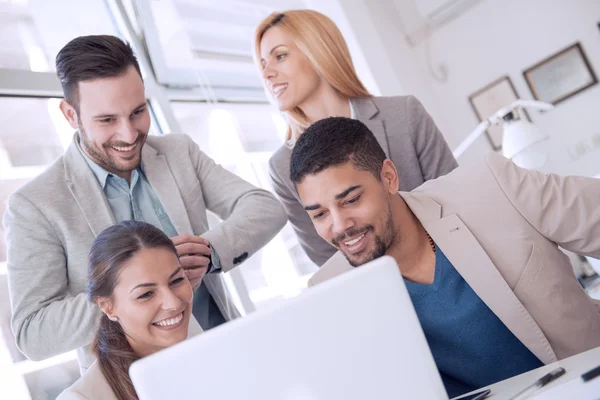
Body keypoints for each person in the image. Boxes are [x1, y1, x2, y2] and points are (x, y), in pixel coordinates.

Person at [3, 35, 286, 372]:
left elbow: (265, 207)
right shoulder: (36, 205)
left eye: (138, 112)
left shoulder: (178, 152)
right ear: (70, 115)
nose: (128, 134)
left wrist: (208, 252)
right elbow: (34, 332)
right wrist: (128, 296)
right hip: (136, 387)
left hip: (227, 356)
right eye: (107, 120)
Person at [289, 117, 600, 398]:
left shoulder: (491, 187)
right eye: (319, 214)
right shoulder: (329, 292)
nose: (340, 226)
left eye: (352, 200)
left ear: (388, 177)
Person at [253, 9, 457, 267]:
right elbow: (328, 260)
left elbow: (453, 200)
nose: (267, 73)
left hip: (449, 263)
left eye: (279, 56)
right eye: (262, 65)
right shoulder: (282, 166)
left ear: (319, 51)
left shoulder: (404, 115)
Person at [58, 221, 202, 400]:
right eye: (146, 294)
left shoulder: (215, 351)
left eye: (177, 280)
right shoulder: (82, 397)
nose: (172, 303)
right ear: (106, 306)